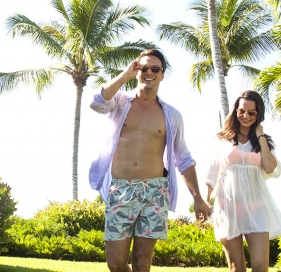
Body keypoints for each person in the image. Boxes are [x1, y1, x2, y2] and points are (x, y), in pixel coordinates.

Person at [89, 49, 211, 272]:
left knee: (142, 263)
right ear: (137, 71)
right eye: (143, 68)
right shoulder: (120, 102)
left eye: (155, 69)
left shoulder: (171, 115)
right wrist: (125, 75)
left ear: (162, 75)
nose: (149, 73)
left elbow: (183, 158)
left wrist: (198, 198)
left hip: (155, 191)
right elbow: (97, 102)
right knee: (115, 263)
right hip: (121, 189)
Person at [206, 90, 281, 272]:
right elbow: (212, 172)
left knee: (260, 267)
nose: (246, 116)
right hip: (228, 206)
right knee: (237, 268)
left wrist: (260, 136)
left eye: (251, 112)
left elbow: (270, 167)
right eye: (242, 111)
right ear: (235, 111)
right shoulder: (222, 139)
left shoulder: (263, 141)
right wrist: (205, 199)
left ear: (258, 114)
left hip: (256, 206)